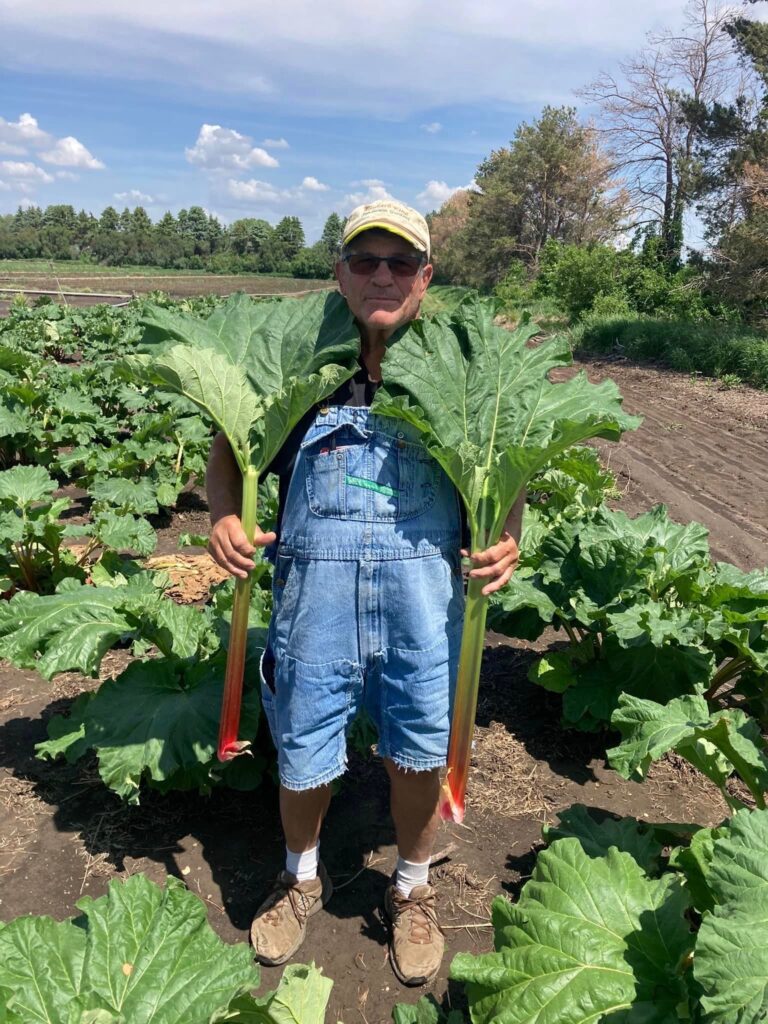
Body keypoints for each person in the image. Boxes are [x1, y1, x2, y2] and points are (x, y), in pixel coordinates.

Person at [206, 199, 523, 986]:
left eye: (400, 262)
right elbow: (228, 451)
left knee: (419, 751)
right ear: (339, 273)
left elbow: (509, 469)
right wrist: (222, 518)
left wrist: (508, 536)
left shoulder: (462, 369)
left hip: (424, 607)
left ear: (426, 275)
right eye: (364, 260)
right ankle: (300, 874)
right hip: (315, 605)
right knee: (303, 751)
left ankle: (412, 889)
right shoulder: (302, 361)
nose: (382, 275)